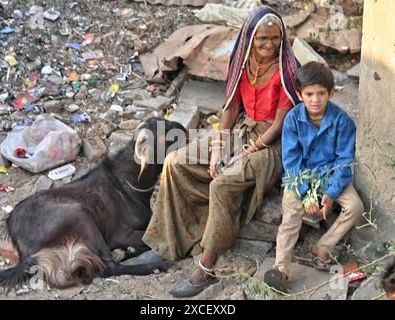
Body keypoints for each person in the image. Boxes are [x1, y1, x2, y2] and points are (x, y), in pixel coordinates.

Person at [141, 5, 300, 298]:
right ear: (250, 38)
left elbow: (279, 125)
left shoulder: (288, 70)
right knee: (176, 162)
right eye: (263, 39)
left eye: (276, 38)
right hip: (240, 132)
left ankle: (206, 269)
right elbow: (230, 109)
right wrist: (218, 149)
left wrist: (242, 154)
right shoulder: (242, 62)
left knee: (223, 184)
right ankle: (166, 244)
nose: (269, 45)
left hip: (271, 146)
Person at [264, 61, 365, 293]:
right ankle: (280, 269)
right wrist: (306, 194)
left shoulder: (343, 121)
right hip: (301, 176)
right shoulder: (292, 120)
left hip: (331, 174)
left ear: (331, 93)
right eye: (309, 94)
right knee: (290, 212)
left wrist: (330, 193)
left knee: (355, 206)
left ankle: (322, 248)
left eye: (321, 93)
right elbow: (291, 161)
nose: (315, 100)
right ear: (299, 95)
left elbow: (344, 161)